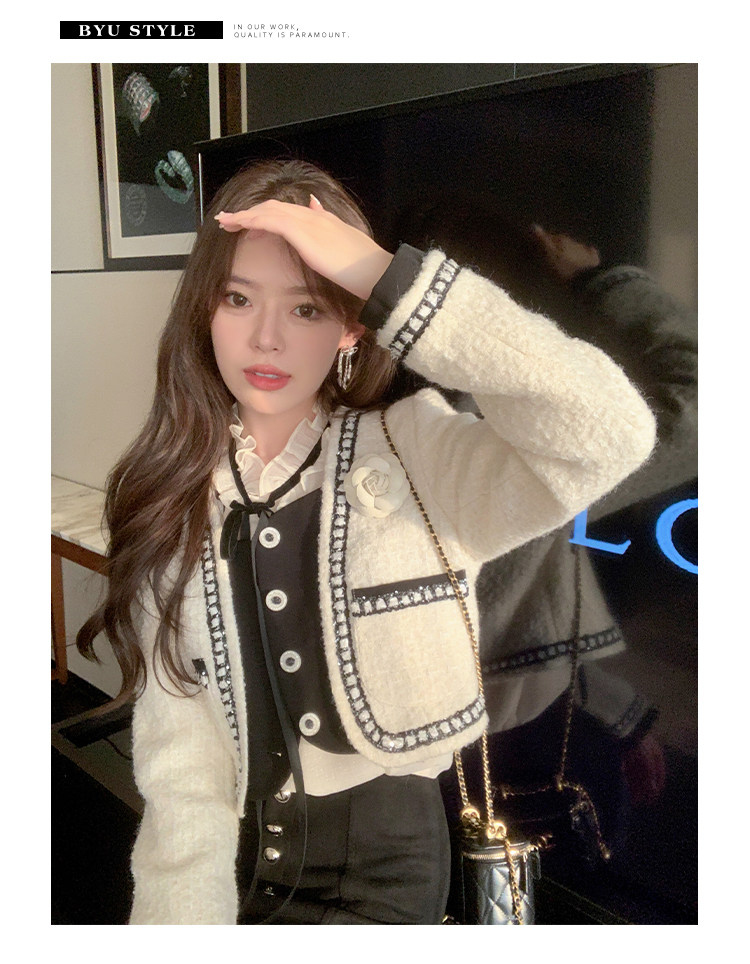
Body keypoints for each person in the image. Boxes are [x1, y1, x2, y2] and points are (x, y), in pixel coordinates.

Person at [76, 159, 656, 925]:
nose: (266, 338)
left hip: (380, 874)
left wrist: (385, 277)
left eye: (307, 306)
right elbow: (180, 749)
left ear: (352, 325)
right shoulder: (173, 486)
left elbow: (609, 432)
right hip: (234, 857)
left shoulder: (419, 456)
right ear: (204, 311)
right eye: (238, 299)